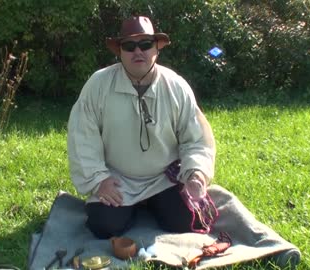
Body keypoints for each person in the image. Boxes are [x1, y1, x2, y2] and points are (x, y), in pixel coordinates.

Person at [67, 16, 216, 239]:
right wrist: (99, 180)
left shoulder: (176, 86)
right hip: (118, 179)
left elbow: (195, 138)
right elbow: (82, 137)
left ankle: (152, 204)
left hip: (164, 178)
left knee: (187, 220)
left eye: (145, 44)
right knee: (103, 226)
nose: (138, 51)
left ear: (157, 48)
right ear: (119, 51)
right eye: (129, 46)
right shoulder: (98, 84)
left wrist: (195, 173)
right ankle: (133, 207)